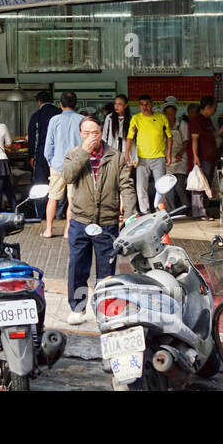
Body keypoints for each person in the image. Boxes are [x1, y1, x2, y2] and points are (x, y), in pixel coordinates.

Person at [61, 117, 136, 324]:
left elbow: (127, 186)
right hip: (80, 220)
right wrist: (83, 152)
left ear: (101, 133)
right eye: (86, 133)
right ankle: (78, 308)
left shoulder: (116, 156)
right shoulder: (72, 154)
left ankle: (105, 309)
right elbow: (68, 177)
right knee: (77, 267)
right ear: (80, 134)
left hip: (106, 222)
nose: (91, 137)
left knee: (107, 270)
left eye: (94, 132)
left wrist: (129, 215)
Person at [42, 91, 84, 238]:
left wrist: (50, 163)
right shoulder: (82, 120)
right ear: (76, 104)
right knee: (72, 199)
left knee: (52, 197)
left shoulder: (54, 120)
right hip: (76, 165)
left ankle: (48, 230)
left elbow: (48, 146)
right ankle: (67, 230)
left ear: (60, 104)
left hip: (57, 164)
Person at [124, 94, 172, 214]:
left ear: (152, 104)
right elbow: (130, 137)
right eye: (141, 104)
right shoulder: (136, 119)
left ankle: (160, 210)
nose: (144, 107)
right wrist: (127, 154)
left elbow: (169, 137)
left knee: (161, 186)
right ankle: (145, 212)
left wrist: (169, 154)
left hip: (159, 157)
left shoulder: (161, 118)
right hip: (141, 158)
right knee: (141, 187)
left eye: (146, 104)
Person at [25, 90, 57, 220]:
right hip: (57, 154)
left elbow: (33, 138)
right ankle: (58, 213)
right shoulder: (58, 113)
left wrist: (31, 156)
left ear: (39, 102)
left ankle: (41, 213)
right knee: (58, 184)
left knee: (41, 183)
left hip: (41, 153)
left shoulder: (36, 115)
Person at [188, 96, 219, 220]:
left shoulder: (208, 120)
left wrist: (222, 129)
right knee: (199, 185)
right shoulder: (197, 120)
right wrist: (195, 156)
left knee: (206, 186)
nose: (215, 110)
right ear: (208, 107)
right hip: (202, 158)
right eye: (214, 108)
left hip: (210, 158)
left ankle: (204, 211)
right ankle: (199, 213)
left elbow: (212, 135)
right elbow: (194, 140)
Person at [164, 103, 191, 213]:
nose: (170, 115)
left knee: (179, 186)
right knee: (168, 187)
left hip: (180, 158)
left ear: (175, 112)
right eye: (168, 113)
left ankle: (186, 208)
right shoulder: (162, 124)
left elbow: (186, 141)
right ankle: (171, 210)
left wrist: (180, 153)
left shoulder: (181, 124)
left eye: (172, 112)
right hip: (168, 158)